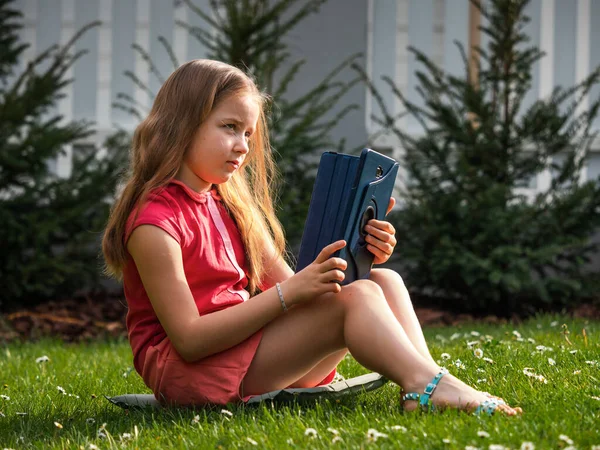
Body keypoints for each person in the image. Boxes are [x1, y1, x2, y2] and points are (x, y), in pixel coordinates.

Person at [102, 59, 521, 415]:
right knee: (356, 298)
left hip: (248, 354)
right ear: (182, 125)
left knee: (381, 281)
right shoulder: (155, 222)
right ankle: (427, 386)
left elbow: (292, 285)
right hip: (194, 373)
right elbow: (190, 340)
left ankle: (423, 385)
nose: (243, 146)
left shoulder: (228, 203)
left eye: (249, 134)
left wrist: (360, 251)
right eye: (229, 127)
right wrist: (292, 296)